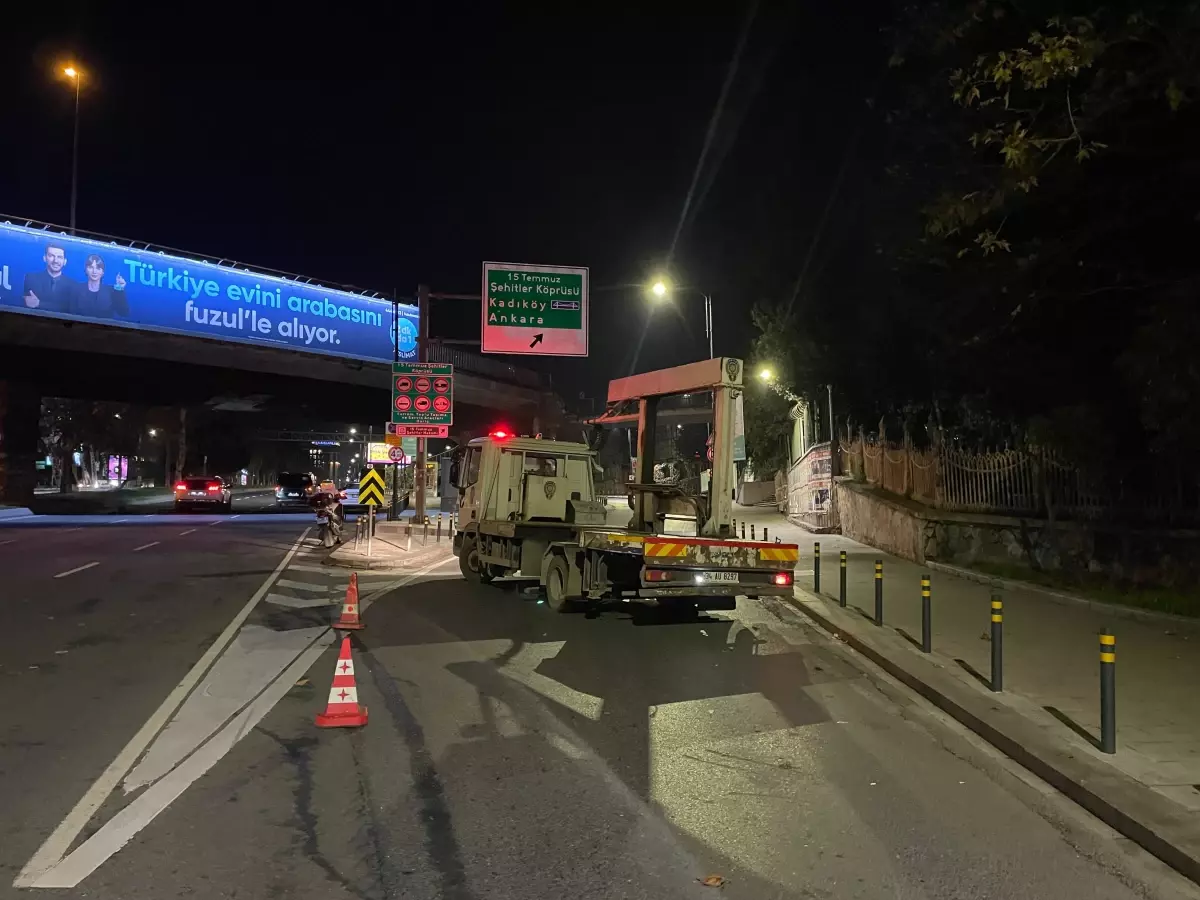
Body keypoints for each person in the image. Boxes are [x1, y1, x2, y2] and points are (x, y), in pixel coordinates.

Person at [23, 242, 77, 314]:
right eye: (51, 256)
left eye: (59, 257)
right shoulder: (31, 279)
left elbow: (70, 309)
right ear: (45, 258)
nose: (55, 261)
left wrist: (39, 304)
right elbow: (27, 305)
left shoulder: (73, 286)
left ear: (65, 261)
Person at [72, 254, 129, 319]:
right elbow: (71, 313)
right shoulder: (77, 289)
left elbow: (123, 313)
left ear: (102, 272)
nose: (94, 271)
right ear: (86, 270)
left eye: (98, 268)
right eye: (91, 267)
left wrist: (120, 288)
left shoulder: (111, 291)